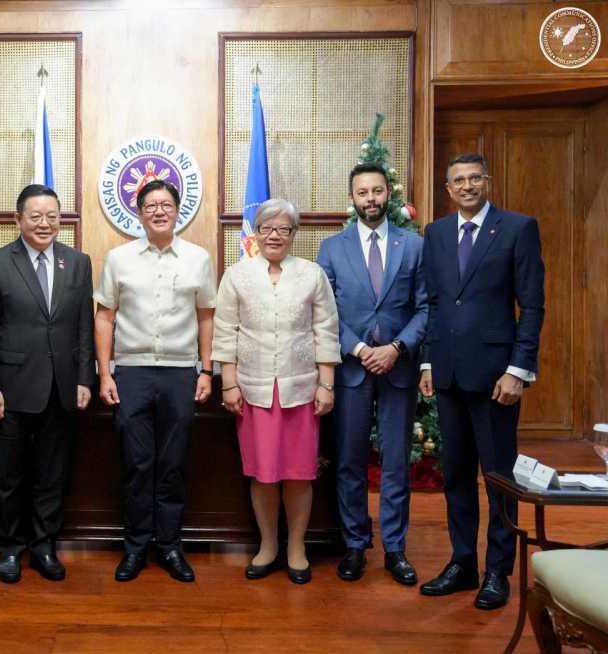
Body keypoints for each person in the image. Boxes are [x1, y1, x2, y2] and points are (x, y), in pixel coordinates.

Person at [419, 153, 545, 610]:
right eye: (459, 180)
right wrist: (427, 363)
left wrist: (517, 370)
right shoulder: (435, 233)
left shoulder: (517, 228)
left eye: (475, 178)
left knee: (498, 477)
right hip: (448, 373)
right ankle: (463, 563)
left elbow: (532, 305)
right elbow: (434, 302)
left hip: (496, 378)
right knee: (455, 475)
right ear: (448, 189)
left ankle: (497, 571)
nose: (467, 186)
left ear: (487, 182)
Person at [94, 179, 215, 583]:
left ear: (178, 211)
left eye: (166, 205)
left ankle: (169, 546)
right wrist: (105, 372)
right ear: (139, 212)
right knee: (137, 463)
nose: (159, 211)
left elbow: (206, 316)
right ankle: (135, 548)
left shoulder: (198, 259)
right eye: (151, 205)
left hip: (181, 373)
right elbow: (104, 317)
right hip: (132, 372)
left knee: (173, 464)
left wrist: (206, 369)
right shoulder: (119, 259)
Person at [213, 198, 339, 585]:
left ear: (293, 234)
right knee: (264, 474)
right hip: (253, 391)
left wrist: (326, 384)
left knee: (299, 474)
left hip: (301, 390)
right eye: (267, 228)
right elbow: (225, 331)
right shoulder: (236, 275)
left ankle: (296, 548)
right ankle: (268, 545)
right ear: (256, 232)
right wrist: (229, 382)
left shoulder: (312, 274)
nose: (275, 235)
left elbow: (326, 330)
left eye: (284, 229)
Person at [0, 184, 96, 583]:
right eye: (36, 216)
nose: (45, 224)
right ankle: (9, 547)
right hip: (10, 389)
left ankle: (44, 545)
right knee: (8, 476)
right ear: (18, 219)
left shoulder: (77, 262)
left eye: (52, 216)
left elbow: (83, 326)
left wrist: (84, 378)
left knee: (51, 474)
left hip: (61, 387)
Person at [316, 163, 427, 586]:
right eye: (362, 192)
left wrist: (396, 348)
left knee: (396, 462)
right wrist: (361, 349)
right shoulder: (332, 248)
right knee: (350, 462)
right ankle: (355, 544)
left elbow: (425, 307)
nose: (371, 199)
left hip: (398, 368)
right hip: (352, 369)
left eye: (377, 191)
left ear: (388, 193)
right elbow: (325, 312)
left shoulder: (413, 245)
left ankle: (395, 549)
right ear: (352, 198)